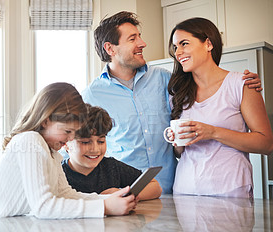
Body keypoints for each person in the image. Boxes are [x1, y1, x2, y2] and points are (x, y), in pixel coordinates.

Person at [81, 11, 262, 194]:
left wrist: (242, 82)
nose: (142, 43)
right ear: (110, 49)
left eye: (140, 37)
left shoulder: (167, 80)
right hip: (127, 195)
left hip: (172, 192)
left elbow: (211, 84)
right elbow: (75, 149)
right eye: (132, 39)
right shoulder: (91, 96)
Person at [0, 82, 137, 220]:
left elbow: (65, 193)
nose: (70, 138)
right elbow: (43, 206)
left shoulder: (51, 152)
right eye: (67, 131)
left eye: (74, 133)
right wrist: (104, 207)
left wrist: (109, 199)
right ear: (46, 120)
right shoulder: (30, 141)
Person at [166, 17, 273, 198]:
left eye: (184, 44)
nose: (178, 52)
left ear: (208, 44)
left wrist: (213, 132)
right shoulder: (178, 93)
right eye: (175, 47)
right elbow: (180, 152)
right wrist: (177, 142)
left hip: (230, 190)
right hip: (185, 192)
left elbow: (266, 144)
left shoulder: (241, 84)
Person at [63, 104, 162, 201]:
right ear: (65, 143)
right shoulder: (58, 173)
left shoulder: (111, 167)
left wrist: (125, 194)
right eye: (85, 142)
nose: (95, 149)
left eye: (101, 141)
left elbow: (155, 187)